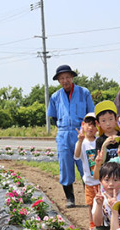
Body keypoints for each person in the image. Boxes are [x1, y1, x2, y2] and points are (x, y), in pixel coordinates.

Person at [48, 64, 95, 208]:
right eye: (62, 78)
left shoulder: (84, 92)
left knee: (86, 165)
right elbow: (53, 117)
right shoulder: (55, 96)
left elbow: (91, 114)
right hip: (63, 134)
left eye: (67, 77)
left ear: (72, 77)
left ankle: (90, 196)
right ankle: (70, 198)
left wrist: (87, 131)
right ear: (58, 80)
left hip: (81, 133)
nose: (65, 80)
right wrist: (63, 128)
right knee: (65, 166)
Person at [73, 112, 100, 230]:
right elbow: (77, 156)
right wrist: (79, 141)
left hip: (101, 181)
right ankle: (92, 225)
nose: (91, 128)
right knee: (90, 204)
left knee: (101, 203)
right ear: (83, 126)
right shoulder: (82, 143)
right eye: (88, 125)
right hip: (89, 180)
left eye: (94, 125)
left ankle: (102, 223)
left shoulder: (99, 141)